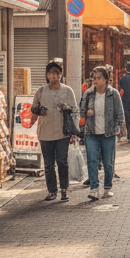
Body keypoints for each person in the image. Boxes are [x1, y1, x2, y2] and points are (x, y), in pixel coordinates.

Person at [31, 59, 79, 201]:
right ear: (47, 75)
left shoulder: (67, 90)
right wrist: (39, 110)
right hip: (45, 133)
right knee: (48, 164)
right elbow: (33, 108)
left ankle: (64, 189)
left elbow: (74, 110)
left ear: (60, 75)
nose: (53, 76)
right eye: (51, 73)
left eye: (56, 73)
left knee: (62, 162)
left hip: (62, 132)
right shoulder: (41, 91)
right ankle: (52, 191)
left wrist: (67, 108)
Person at [79, 65, 125, 200]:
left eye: (98, 78)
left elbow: (120, 113)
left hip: (108, 133)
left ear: (106, 80)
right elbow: (81, 110)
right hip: (91, 133)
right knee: (92, 160)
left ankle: (107, 188)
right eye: (94, 78)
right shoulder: (88, 93)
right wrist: (86, 113)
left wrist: (118, 128)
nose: (95, 80)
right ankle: (94, 189)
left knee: (108, 162)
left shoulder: (113, 93)